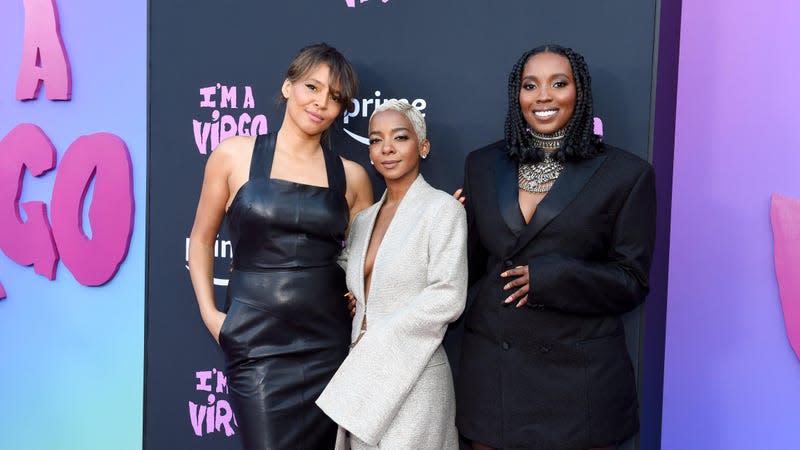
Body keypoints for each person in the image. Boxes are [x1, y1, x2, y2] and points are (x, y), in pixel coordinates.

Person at [455, 44, 656, 450]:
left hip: (579, 382)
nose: (543, 96)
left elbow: (632, 281)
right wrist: (441, 229)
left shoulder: (626, 174)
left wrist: (554, 277)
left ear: (579, 92)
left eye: (558, 83)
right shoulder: (481, 165)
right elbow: (468, 268)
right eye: (531, 85)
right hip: (497, 375)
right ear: (518, 95)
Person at [187, 43, 373, 449]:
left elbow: (369, 261)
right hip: (256, 341)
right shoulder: (233, 155)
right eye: (312, 86)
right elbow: (201, 239)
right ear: (288, 86)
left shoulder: (353, 177)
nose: (321, 102)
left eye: (335, 97)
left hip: (329, 344)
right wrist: (211, 315)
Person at [316, 99, 467, 450]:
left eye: (400, 138)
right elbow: (347, 272)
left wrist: (378, 338)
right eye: (375, 139)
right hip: (364, 377)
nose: (386, 148)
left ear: (423, 146)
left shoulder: (443, 210)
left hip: (414, 374)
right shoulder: (365, 219)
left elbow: (448, 295)